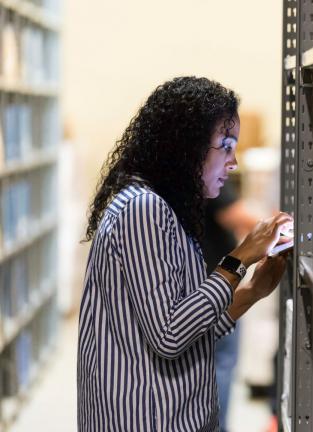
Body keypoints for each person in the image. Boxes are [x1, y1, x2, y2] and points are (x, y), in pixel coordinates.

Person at [77, 76, 292, 432]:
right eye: (224, 146)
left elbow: (189, 332)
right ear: (186, 146)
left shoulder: (166, 209)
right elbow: (170, 336)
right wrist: (238, 260)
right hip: (146, 419)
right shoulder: (143, 210)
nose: (233, 162)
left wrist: (252, 293)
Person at [201, 183, 258, 431]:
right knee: (220, 365)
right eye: (226, 147)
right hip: (214, 291)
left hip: (210, 289)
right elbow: (234, 214)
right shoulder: (208, 173)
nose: (232, 162)